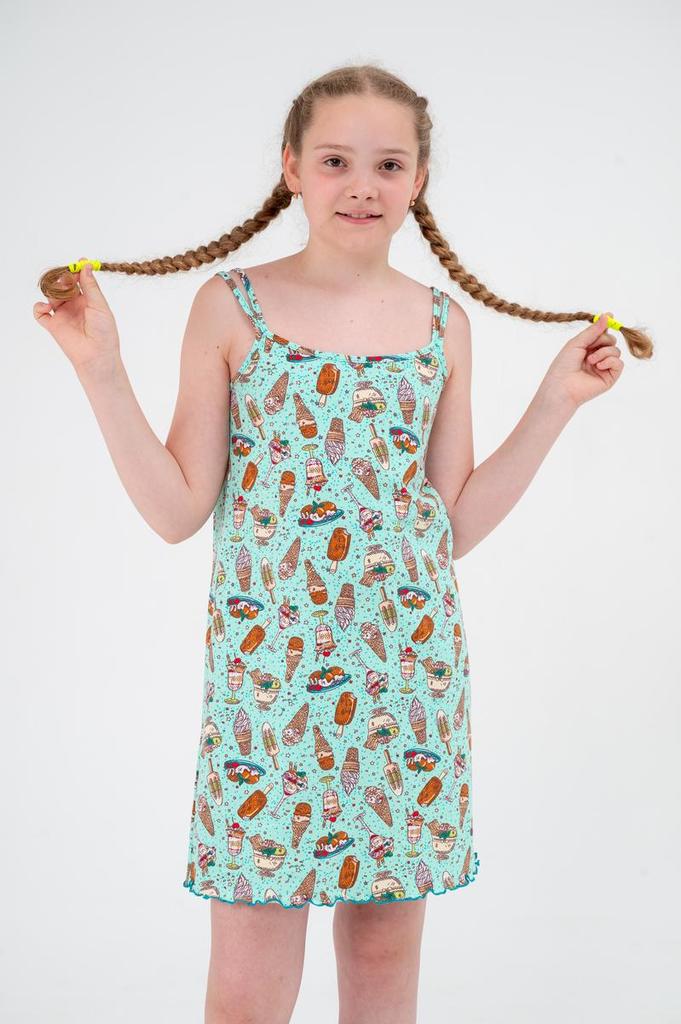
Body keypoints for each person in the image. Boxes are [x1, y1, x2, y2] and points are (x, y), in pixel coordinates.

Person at [33, 63, 650, 1024]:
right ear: (291, 168)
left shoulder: (442, 324)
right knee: (249, 974)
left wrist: (553, 403)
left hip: (406, 678)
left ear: (419, 179)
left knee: (383, 953)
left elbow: (446, 528)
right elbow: (177, 508)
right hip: (268, 688)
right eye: (334, 160)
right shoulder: (229, 305)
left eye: (388, 164)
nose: (362, 184)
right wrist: (102, 370)